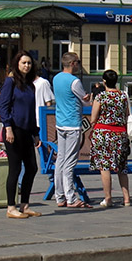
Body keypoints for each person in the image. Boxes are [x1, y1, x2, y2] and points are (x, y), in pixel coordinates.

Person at [0, 54, 41, 219]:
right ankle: (11, 207)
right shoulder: (11, 82)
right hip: (13, 130)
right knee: (15, 169)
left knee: (31, 167)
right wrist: (7, 127)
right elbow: (3, 105)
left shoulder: (30, 85)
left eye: (29, 63)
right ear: (17, 64)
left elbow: (31, 111)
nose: (27, 65)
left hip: (27, 130)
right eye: (24, 62)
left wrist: (36, 133)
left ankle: (25, 205)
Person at [53, 52, 93, 209]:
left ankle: (59, 195)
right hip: (72, 123)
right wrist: (88, 98)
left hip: (60, 122)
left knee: (60, 160)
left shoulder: (56, 78)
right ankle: (70, 197)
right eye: (78, 62)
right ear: (73, 63)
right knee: (69, 162)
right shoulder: (74, 81)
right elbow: (85, 100)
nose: (79, 65)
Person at [89, 69, 132, 208]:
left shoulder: (101, 97)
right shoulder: (123, 96)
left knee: (105, 167)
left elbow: (93, 118)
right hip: (120, 134)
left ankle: (108, 198)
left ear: (104, 81)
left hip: (103, 134)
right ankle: (126, 199)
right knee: (122, 167)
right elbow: (127, 115)